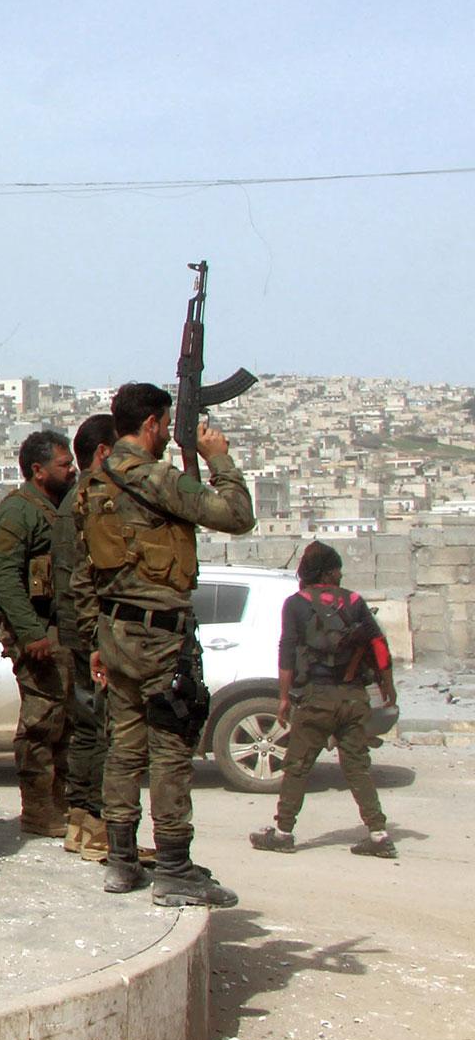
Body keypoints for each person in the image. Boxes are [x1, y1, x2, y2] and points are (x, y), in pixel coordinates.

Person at [76, 381, 254, 905]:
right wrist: (218, 459)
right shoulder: (155, 478)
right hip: (158, 632)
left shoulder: (93, 482)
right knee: (170, 745)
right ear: (152, 424)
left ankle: (122, 859)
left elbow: (84, 572)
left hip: (114, 630)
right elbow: (237, 515)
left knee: (124, 748)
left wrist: (94, 638)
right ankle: (174, 864)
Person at [250, 540, 398, 858]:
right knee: (357, 767)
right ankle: (379, 834)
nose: (341, 573)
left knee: (297, 767)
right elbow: (379, 645)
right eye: (338, 568)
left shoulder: (295, 604)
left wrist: (283, 698)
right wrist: (388, 685)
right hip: (353, 697)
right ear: (330, 572)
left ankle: (283, 833)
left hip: (315, 698)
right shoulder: (355, 601)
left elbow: (286, 651)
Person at [0, 430, 78, 838]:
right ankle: (39, 808)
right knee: (41, 722)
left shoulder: (58, 509)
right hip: (38, 633)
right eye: (64, 464)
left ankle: (63, 804)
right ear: (38, 471)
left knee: (66, 722)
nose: (71, 469)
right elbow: (4, 578)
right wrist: (30, 633)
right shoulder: (18, 513)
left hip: (61, 630)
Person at [60, 413, 117, 861]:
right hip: (94, 631)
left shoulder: (72, 500)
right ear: (103, 453)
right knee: (101, 730)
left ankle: (81, 821)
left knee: (84, 729)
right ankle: (95, 824)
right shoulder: (93, 500)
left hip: (80, 629)